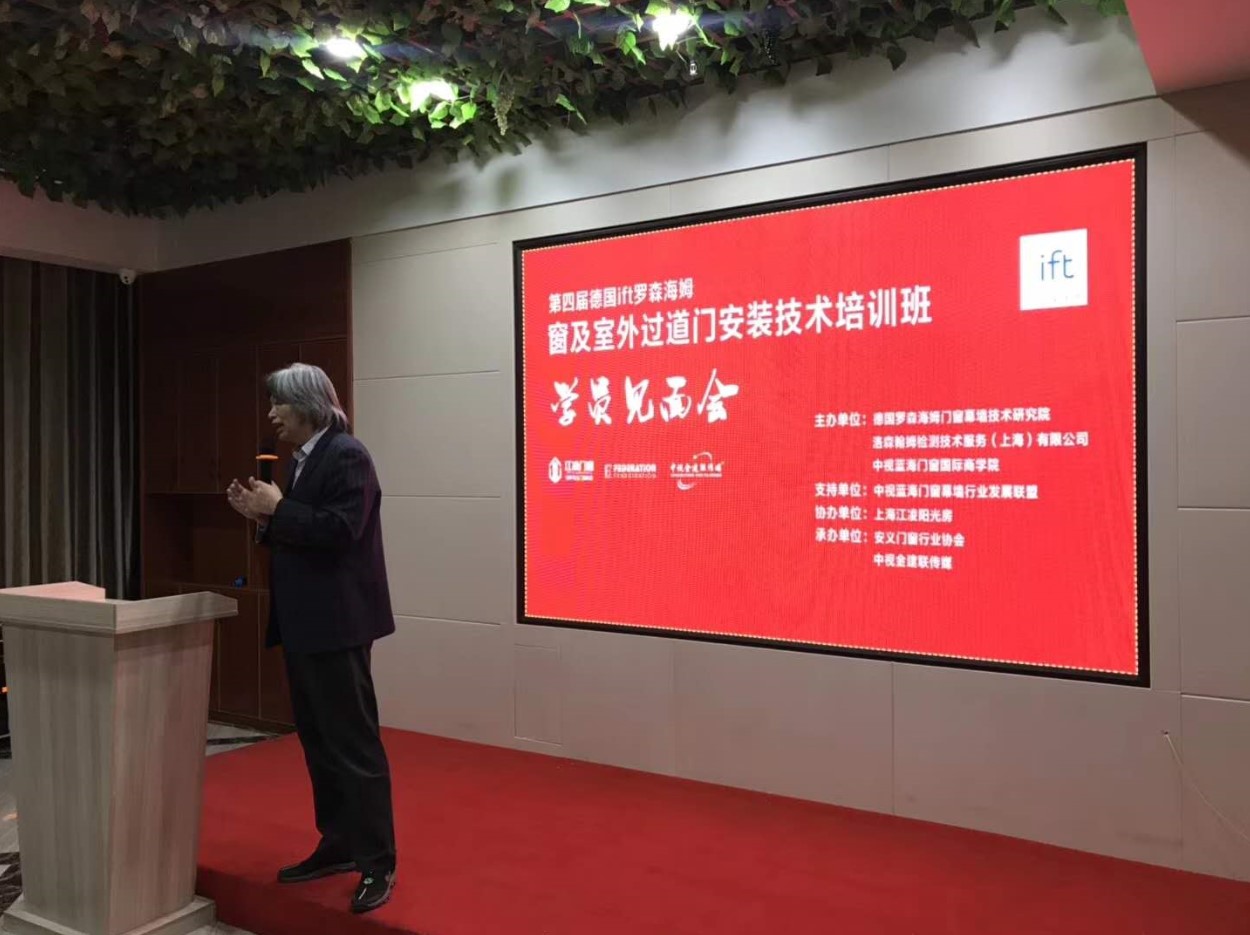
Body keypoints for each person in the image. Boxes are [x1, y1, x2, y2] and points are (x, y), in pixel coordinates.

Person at [226, 362, 397, 915]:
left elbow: (341, 530)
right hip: (305, 624)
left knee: (352, 744)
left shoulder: (347, 455)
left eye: (279, 403)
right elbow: (304, 531)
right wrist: (263, 517)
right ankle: (339, 843)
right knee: (319, 742)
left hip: (339, 625)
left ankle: (378, 861)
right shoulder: (304, 459)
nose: (271, 414)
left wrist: (279, 509)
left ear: (307, 404)